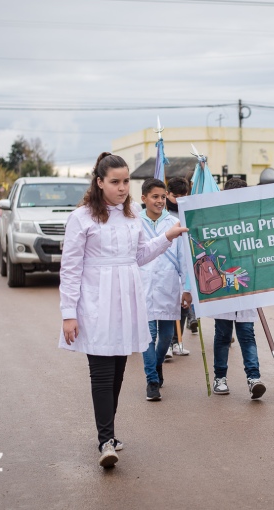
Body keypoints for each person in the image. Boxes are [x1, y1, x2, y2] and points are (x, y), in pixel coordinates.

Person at [59, 153, 187, 468]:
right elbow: (71, 268)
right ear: (99, 182)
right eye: (115, 181)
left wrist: (166, 237)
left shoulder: (132, 217)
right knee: (101, 373)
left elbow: (140, 255)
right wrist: (68, 313)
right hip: (95, 302)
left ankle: (109, 434)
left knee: (117, 373)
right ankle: (105, 440)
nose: (121, 187)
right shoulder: (82, 218)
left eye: (126, 181)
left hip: (127, 301)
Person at [210, 177, 266, 400]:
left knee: (247, 334)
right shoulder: (217, 220)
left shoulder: (254, 221)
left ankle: (254, 378)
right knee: (223, 334)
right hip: (224, 287)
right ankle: (220, 377)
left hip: (246, 287)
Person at [139, 178, 192, 401]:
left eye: (162, 196)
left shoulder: (174, 223)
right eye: (155, 197)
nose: (160, 201)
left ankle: (157, 363)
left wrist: (187, 288)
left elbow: (184, 259)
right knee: (148, 336)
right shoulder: (134, 223)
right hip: (142, 286)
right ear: (144, 199)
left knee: (167, 336)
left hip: (168, 286)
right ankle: (152, 380)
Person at [167, 176, 199, 337]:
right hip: (168, 260)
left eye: (183, 196)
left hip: (186, 259)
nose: (179, 200)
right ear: (168, 194)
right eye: (176, 197)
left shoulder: (189, 211)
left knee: (185, 300)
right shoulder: (163, 212)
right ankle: (169, 342)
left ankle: (177, 340)